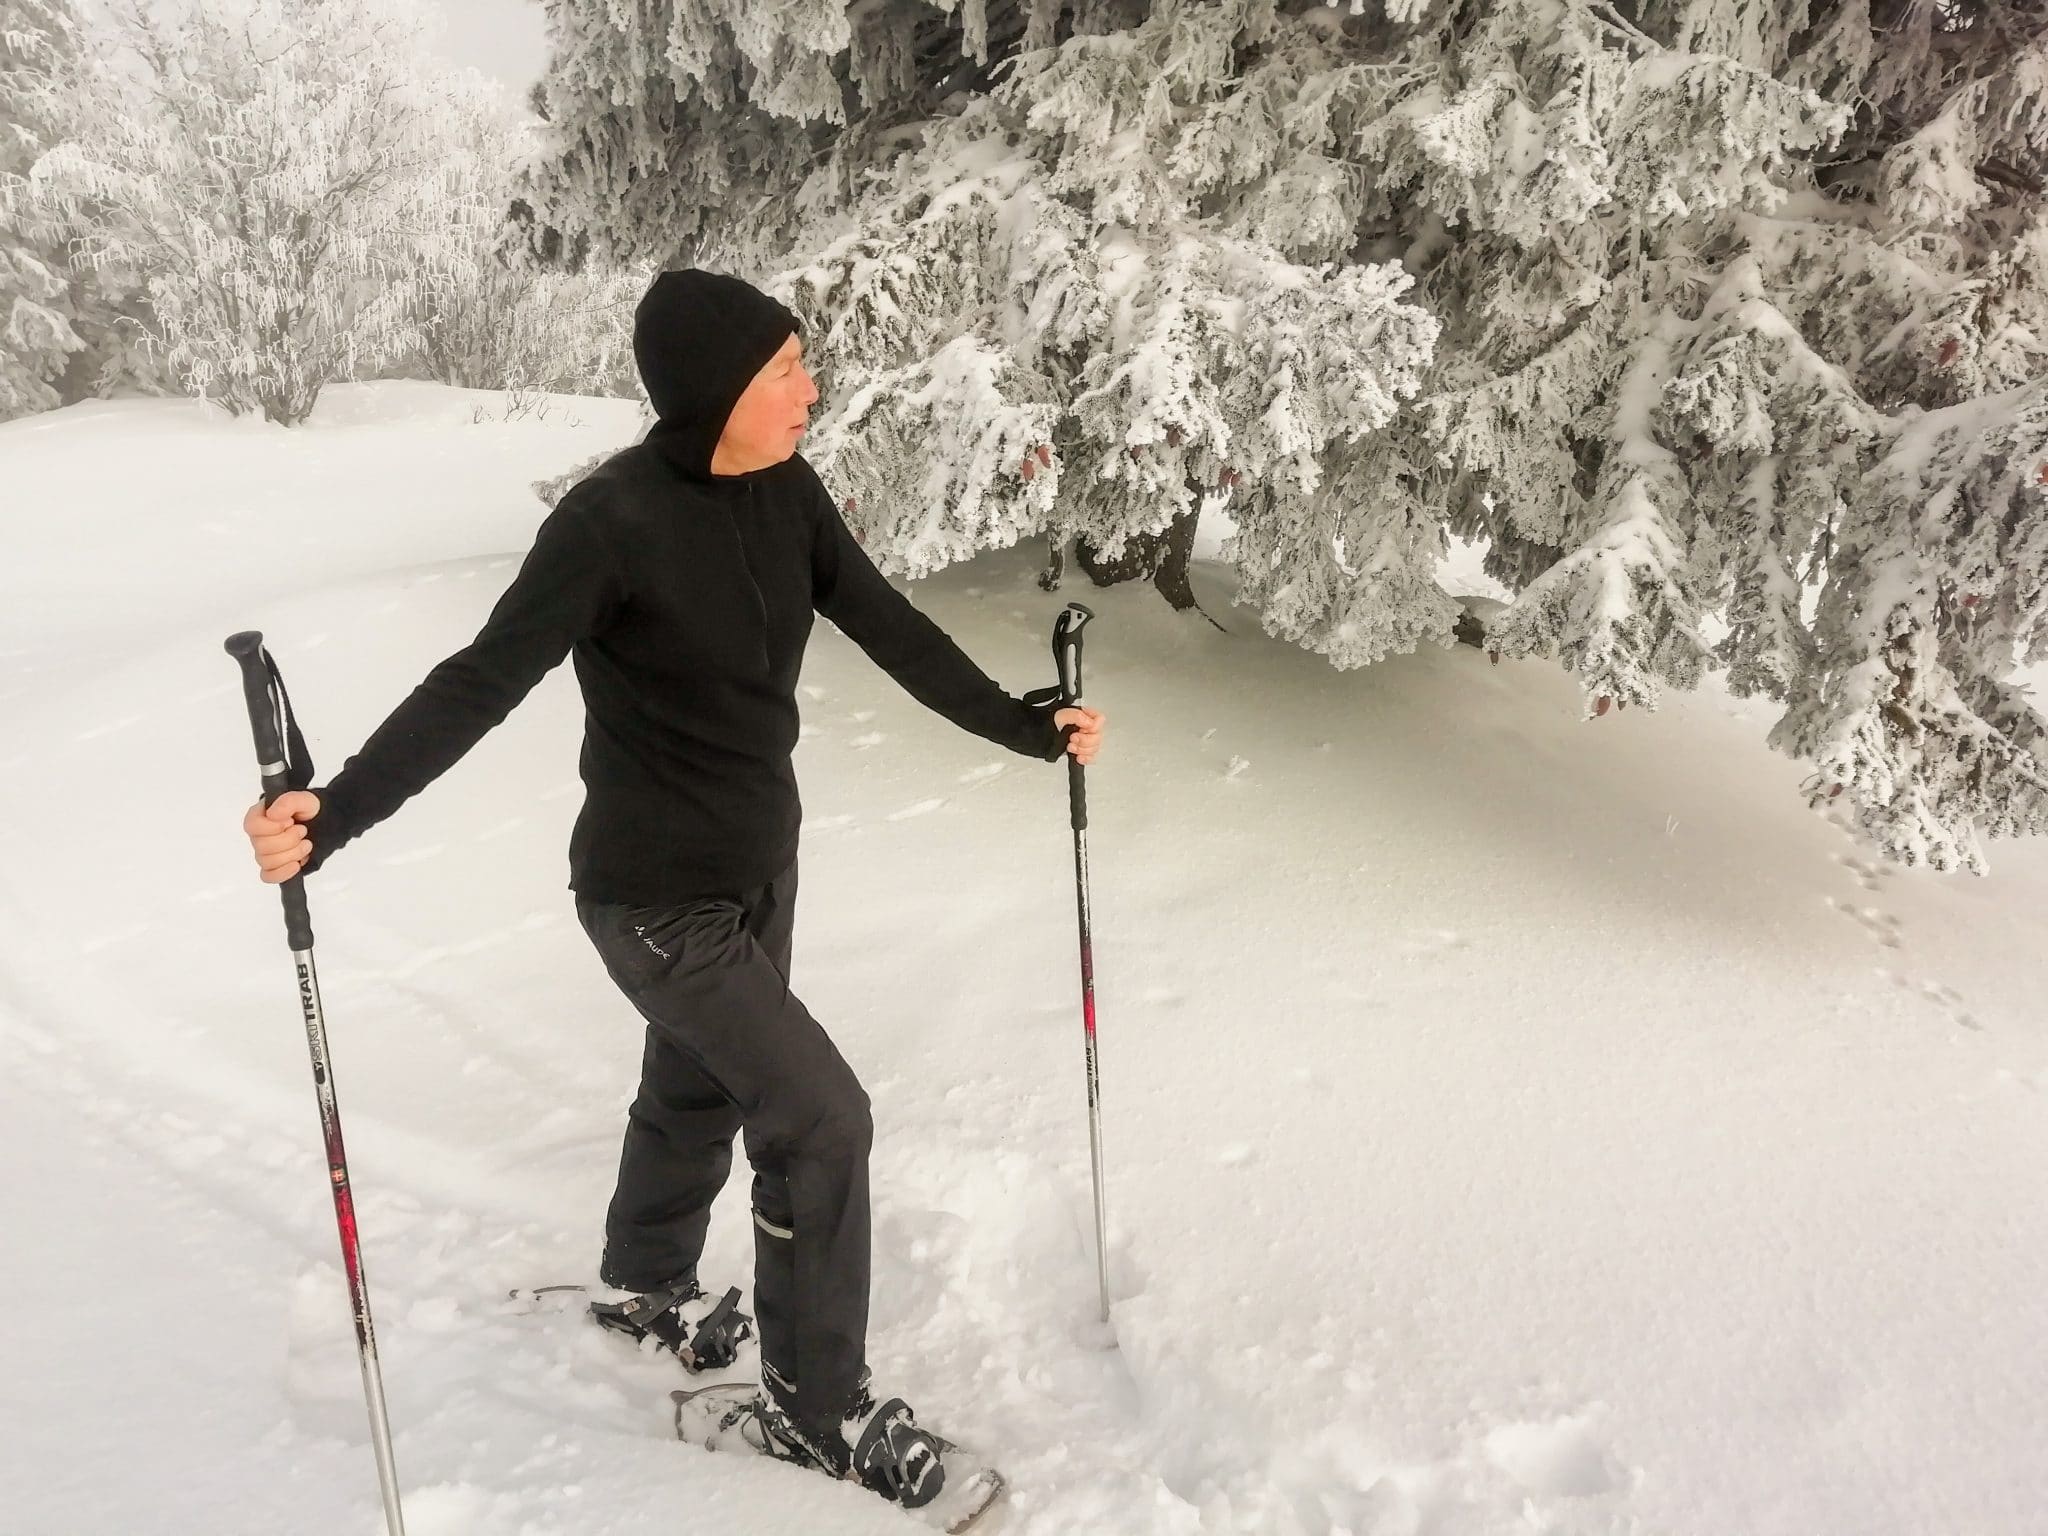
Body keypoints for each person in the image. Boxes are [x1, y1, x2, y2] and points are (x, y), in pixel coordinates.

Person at [241, 269, 1105, 1506]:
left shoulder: (789, 494)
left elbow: (892, 629)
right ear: (717, 392)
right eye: (787, 368)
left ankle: (643, 1283)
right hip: (651, 896)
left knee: (702, 1081)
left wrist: (1022, 728)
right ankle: (815, 1414)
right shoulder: (611, 524)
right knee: (818, 1118)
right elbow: (479, 680)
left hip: (759, 865)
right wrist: (338, 814)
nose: (812, 386)